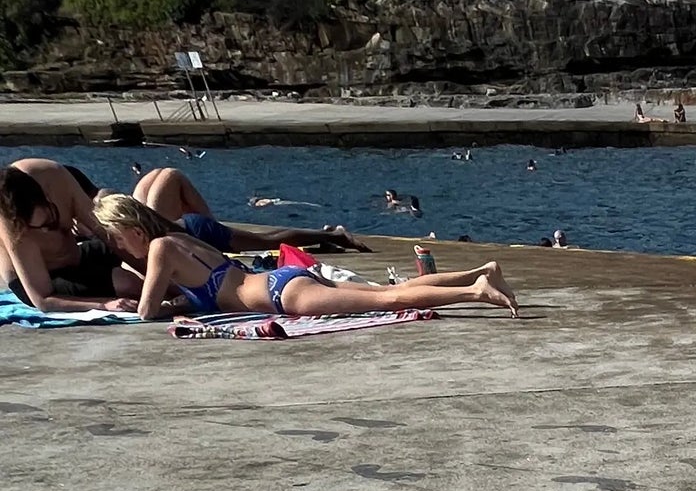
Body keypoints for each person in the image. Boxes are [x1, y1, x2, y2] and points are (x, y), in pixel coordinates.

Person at [94, 195, 518, 320]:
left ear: (132, 231)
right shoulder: (181, 237)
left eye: (116, 239)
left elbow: (148, 312)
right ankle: (483, 270)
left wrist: (113, 302)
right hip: (281, 280)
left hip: (284, 296)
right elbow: (211, 288)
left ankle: (476, 291)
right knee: (390, 290)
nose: (118, 247)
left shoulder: (158, 249)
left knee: (386, 301)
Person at [0, 160, 135, 312]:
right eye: (38, 229)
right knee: (126, 283)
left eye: (50, 224)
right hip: (43, 280)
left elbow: (107, 233)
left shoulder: (55, 176)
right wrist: (103, 304)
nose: (45, 231)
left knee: (135, 242)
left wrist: (154, 272)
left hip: (76, 257)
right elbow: (42, 299)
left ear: (47, 196)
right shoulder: (12, 224)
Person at [130, 166, 363, 253]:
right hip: (186, 227)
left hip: (193, 230)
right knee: (162, 176)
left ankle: (335, 235)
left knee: (266, 240)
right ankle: (330, 235)